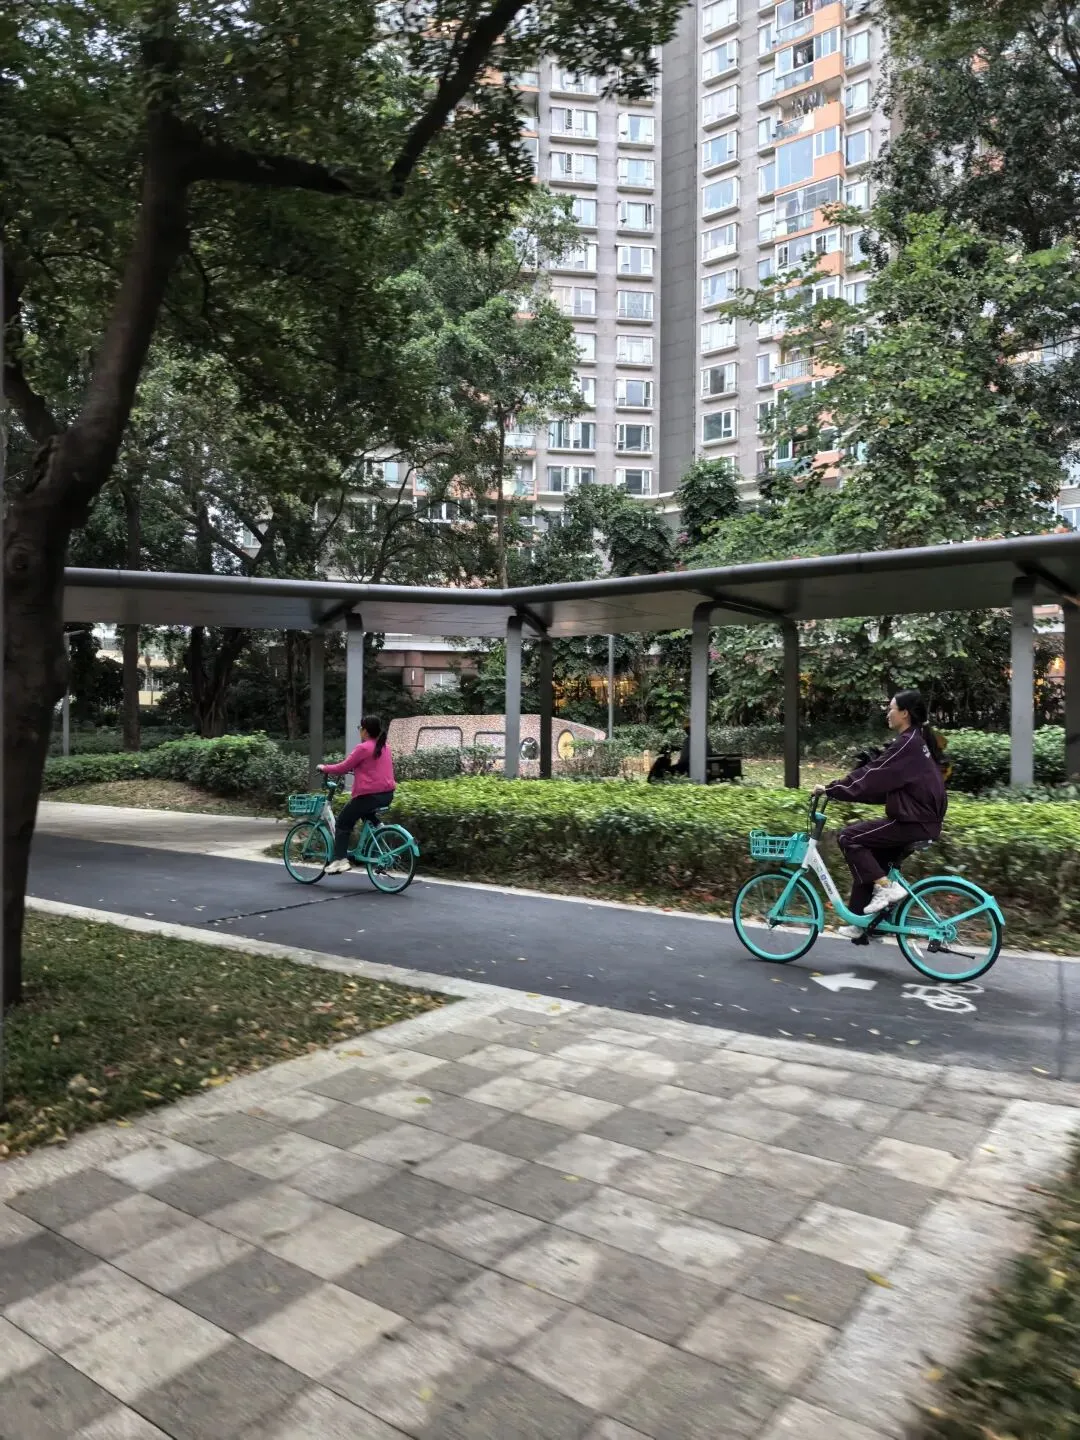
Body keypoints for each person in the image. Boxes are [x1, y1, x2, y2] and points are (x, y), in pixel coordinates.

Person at [813, 690, 948, 940]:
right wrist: (841, 791)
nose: (888, 712)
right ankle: (865, 924)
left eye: (891, 708)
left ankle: (886, 888)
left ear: (904, 713)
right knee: (870, 860)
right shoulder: (916, 740)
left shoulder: (907, 744)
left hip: (915, 822)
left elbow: (873, 774)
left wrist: (832, 789)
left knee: (849, 838)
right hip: (920, 819)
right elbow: (882, 786)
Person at [317, 715, 396, 875]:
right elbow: (374, 768)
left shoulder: (363, 748)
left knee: (342, 823)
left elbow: (343, 767)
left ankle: (340, 860)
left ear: (365, 730)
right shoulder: (385, 747)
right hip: (387, 795)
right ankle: (377, 839)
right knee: (367, 816)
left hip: (369, 796)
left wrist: (324, 768)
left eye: (360, 728)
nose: (360, 731)